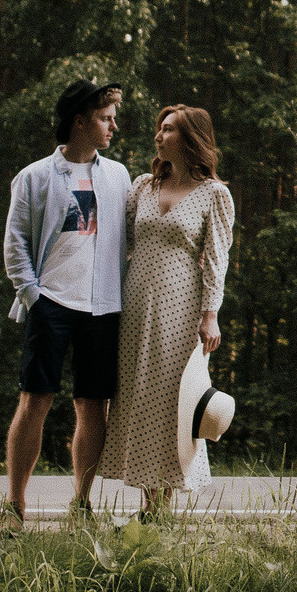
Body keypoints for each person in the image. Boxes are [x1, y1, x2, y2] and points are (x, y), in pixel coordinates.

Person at [0, 78, 133, 524]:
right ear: (80, 121)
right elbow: (15, 242)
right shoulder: (35, 176)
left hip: (103, 308)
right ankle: (15, 505)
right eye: (105, 117)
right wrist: (32, 296)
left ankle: (82, 503)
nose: (113, 125)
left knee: (93, 405)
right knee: (34, 401)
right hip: (51, 303)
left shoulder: (118, 176)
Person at [98, 103, 233, 519]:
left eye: (169, 129)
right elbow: (114, 242)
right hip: (135, 306)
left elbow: (216, 259)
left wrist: (210, 314)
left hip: (181, 310)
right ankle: (149, 506)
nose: (159, 135)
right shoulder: (142, 187)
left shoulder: (215, 194)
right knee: (139, 395)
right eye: (159, 128)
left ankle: (159, 507)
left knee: (172, 401)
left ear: (191, 138)